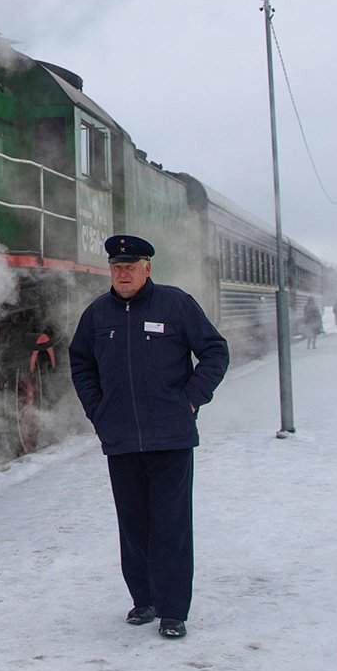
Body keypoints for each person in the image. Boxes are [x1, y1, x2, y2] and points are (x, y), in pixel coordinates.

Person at [69, 234, 229, 642]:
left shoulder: (176, 304)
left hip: (171, 437)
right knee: (133, 523)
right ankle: (144, 600)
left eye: (130, 266)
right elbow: (80, 363)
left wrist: (191, 400)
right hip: (120, 438)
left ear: (147, 268)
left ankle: (174, 610)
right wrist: (97, 411)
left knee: (171, 525)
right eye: (117, 267)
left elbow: (215, 351)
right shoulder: (97, 315)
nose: (123, 273)